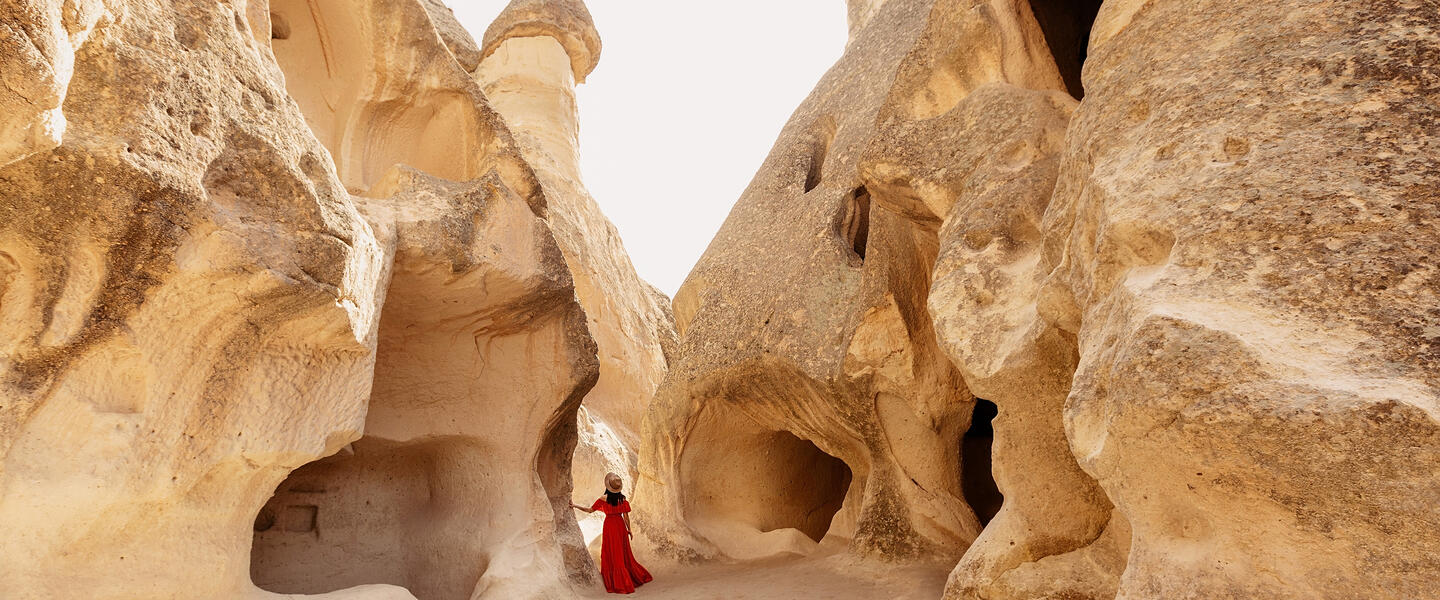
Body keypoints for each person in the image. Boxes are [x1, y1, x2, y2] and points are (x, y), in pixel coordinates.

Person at [570, 472, 654, 594]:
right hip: (620, 527)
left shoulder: (603, 499)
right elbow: (626, 516)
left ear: (607, 486)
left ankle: (619, 582)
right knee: (623, 553)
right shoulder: (623, 499)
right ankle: (628, 579)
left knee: (612, 552)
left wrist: (575, 506)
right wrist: (629, 529)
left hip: (610, 526)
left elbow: (589, 511)